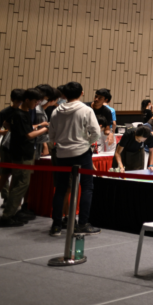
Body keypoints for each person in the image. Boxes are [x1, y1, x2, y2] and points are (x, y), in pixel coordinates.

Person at [48, 82, 101, 236]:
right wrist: (86, 143)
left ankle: (56, 225)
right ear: (82, 93)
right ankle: (83, 223)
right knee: (87, 187)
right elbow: (96, 132)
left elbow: (51, 136)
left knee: (61, 189)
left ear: (64, 94)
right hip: (82, 152)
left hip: (62, 153)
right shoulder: (86, 110)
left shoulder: (57, 110)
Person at [0, 89, 48, 227]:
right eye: (35, 101)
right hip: (22, 153)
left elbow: (8, 124)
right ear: (27, 100)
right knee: (21, 184)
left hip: (21, 152)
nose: (37, 104)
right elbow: (29, 135)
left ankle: (11, 214)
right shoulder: (21, 114)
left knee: (18, 183)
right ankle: (7, 217)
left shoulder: (20, 113)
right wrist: (46, 129)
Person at [0, 90, 23, 216]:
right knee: (6, 174)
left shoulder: (24, 112)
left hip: (17, 146)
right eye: (18, 101)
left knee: (14, 175)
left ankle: (8, 200)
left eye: (21, 101)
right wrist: (10, 130)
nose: (19, 103)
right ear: (13, 100)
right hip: (7, 146)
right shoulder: (5, 112)